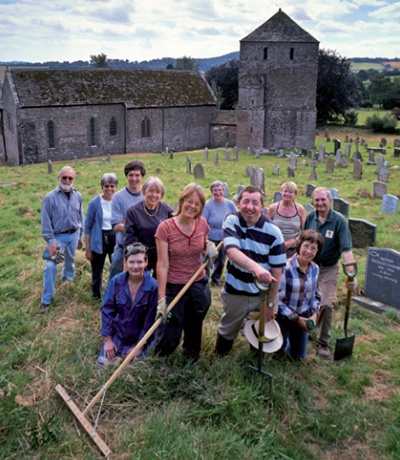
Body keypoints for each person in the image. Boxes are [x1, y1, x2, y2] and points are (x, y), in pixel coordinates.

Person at [215, 185, 287, 355]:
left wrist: (270, 303)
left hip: (260, 295)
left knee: (260, 332)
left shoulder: (274, 233)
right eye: (245, 201)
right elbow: (232, 251)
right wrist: (257, 269)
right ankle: (219, 359)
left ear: (262, 207)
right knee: (228, 328)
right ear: (238, 203)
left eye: (255, 203)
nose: (250, 207)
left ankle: (254, 363)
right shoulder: (232, 220)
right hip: (235, 291)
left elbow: (277, 272)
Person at [154, 183, 217, 361]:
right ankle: (163, 358)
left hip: (197, 281)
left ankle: (190, 356)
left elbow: (203, 246)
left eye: (197, 204)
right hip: (174, 284)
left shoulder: (202, 223)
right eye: (189, 201)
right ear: (181, 202)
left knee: (196, 319)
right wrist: (161, 298)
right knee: (170, 326)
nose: (192, 206)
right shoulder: (165, 228)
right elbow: (162, 264)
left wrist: (209, 247)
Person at [304, 187, 357, 360]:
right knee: (303, 300)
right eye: (316, 200)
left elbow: (346, 250)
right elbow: (303, 240)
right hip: (309, 266)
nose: (319, 203)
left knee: (325, 304)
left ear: (330, 201)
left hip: (328, 268)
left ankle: (322, 342)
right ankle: (304, 332)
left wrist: (351, 274)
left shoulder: (339, 221)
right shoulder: (311, 217)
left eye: (322, 200)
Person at [97, 243, 158, 365]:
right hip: (119, 333)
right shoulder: (116, 281)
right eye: (132, 262)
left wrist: (139, 346)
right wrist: (108, 340)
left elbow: (150, 319)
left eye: (139, 262)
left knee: (133, 366)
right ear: (125, 262)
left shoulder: (153, 286)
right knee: (103, 363)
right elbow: (107, 310)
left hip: (140, 337)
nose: (135, 266)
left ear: (146, 262)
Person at [40, 166, 84, 313]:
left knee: (70, 262)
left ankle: (66, 285)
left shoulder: (78, 196)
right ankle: (46, 300)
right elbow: (46, 222)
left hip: (74, 235)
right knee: (51, 266)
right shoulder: (49, 198)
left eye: (70, 178)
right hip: (58, 237)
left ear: (73, 180)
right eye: (64, 177)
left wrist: (80, 236)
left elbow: (80, 216)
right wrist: (51, 241)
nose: (67, 180)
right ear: (59, 178)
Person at [277, 230, 323, 360]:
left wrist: (314, 315)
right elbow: (278, 301)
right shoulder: (285, 268)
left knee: (298, 358)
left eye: (313, 248)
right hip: (284, 317)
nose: (309, 251)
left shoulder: (315, 269)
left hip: (304, 316)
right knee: (277, 355)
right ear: (299, 246)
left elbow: (316, 295)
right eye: (306, 246)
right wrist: (296, 319)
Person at [124, 176, 174, 277]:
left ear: (162, 194)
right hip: (139, 254)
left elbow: (173, 236)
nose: (153, 195)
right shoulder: (133, 211)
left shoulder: (168, 211)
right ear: (144, 191)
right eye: (150, 191)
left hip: (161, 255)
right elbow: (129, 239)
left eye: (157, 192)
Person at [108, 160, 146, 282]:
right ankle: (110, 300)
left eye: (137, 175)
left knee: (142, 281)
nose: (134, 179)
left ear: (142, 176)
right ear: (126, 176)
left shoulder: (148, 196)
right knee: (115, 280)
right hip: (122, 248)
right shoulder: (118, 197)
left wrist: (128, 224)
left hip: (144, 248)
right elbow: (116, 226)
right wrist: (142, 225)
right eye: (131, 175)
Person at [84, 173, 118, 299]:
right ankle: (96, 295)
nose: (109, 189)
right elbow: (87, 226)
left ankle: (113, 293)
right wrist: (88, 249)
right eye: (106, 186)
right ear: (102, 187)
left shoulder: (118, 200)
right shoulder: (94, 203)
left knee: (116, 266)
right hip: (99, 237)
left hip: (114, 236)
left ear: (116, 187)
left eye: (112, 186)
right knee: (97, 268)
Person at [202, 181, 236, 287]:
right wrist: (205, 240)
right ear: (212, 191)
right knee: (207, 261)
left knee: (221, 262)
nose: (218, 192)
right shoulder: (208, 205)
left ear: (224, 191)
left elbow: (236, 219)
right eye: (215, 190)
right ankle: (204, 281)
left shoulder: (230, 204)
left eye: (220, 190)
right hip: (210, 238)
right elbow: (203, 222)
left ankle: (215, 280)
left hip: (224, 238)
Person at [267, 181, 306, 258]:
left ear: (295, 194)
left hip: (294, 251)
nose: (287, 194)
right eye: (285, 191)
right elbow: (266, 229)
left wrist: (291, 242)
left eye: (290, 192)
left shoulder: (300, 209)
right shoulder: (273, 208)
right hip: (275, 249)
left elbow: (305, 232)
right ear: (281, 192)